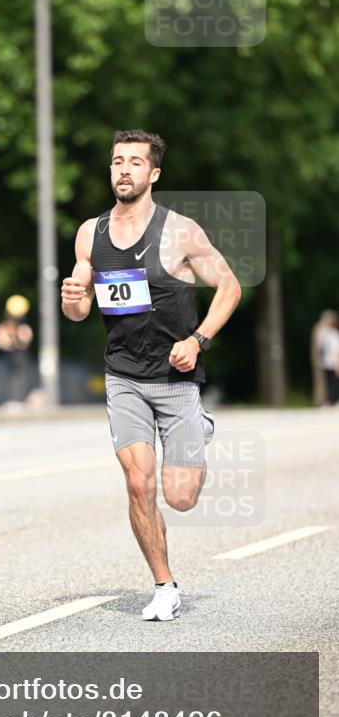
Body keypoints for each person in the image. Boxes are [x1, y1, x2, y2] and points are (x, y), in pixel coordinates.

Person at [61, 129, 242, 621]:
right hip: (123, 377)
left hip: (176, 378)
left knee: (180, 498)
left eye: (135, 162)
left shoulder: (181, 231)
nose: (124, 169)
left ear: (153, 173)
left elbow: (229, 286)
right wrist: (74, 301)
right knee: (139, 483)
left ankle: (196, 426)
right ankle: (164, 585)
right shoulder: (89, 234)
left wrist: (198, 339)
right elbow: (81, 306)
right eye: (117, 161)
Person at [0, 296, 34, 409]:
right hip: (16, 356)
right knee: (17, 377)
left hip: (17, 356)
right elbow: (21, 342)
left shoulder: (19, 328)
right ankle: (16, 400)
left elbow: (24, 341)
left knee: (17, 377)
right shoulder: (6, 328)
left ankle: (17, 400)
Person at [315, 310, 339, 406]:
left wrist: (336, 363)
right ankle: (330, 401)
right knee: (331, 383)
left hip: (331, 362)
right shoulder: (327, 334)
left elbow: (335, 350)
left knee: (333, 383)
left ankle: (331, 401)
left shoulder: (331, 334)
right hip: (328, 362)